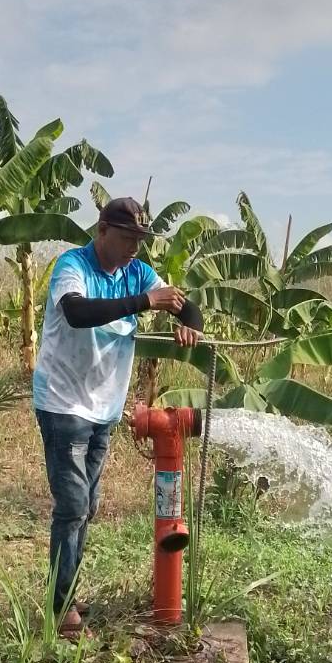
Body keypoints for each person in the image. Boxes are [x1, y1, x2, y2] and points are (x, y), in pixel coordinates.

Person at [33, 196, 204, 635]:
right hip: (63, 403)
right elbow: (77, 313)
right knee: (72, 505)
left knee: (87, 506)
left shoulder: (138, 272)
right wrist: (147, 301)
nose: (134, 248)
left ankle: (65, 586)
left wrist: (190, 323)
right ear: (102, 230)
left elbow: (185, 306)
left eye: (139, 240)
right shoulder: (73, 266)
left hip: (104, 408)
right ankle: (61, 606)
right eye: (127, 238)